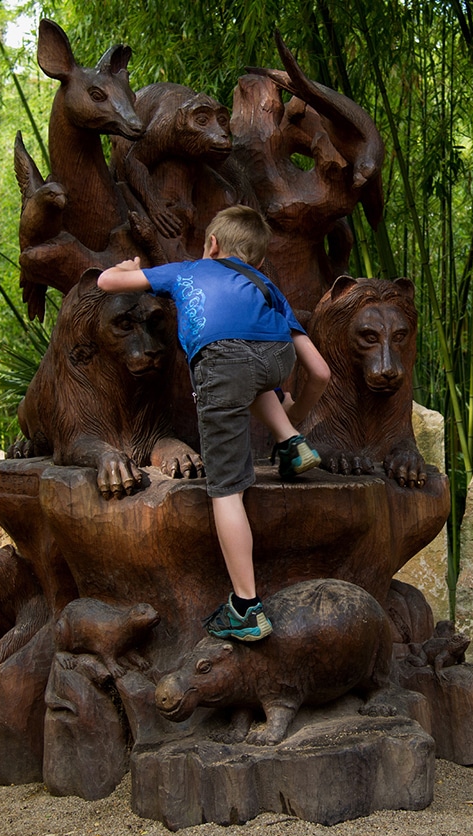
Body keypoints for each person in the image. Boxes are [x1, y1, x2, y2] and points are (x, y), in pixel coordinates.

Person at [97, 205, 331, 642]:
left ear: (212, 245)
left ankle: (245, 606)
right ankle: (291, 441)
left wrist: (129, 267)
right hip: (274, 359)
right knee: (255, 373)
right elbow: (319, 372)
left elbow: (106, 283)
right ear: (256, 261)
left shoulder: (187, 270)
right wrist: (296, 416)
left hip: (223, 366)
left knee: (227, 491)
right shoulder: (265, 285)